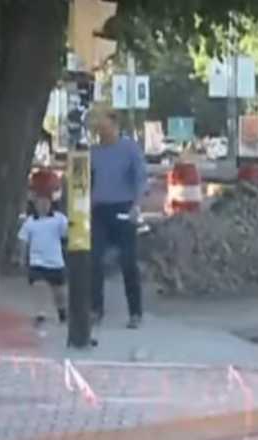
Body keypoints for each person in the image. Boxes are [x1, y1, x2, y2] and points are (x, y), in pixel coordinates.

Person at [89, 107, 147, 329]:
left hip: (123, 208)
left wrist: (136, 206)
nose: (100, 131)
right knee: (94, 259)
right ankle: (95, 309)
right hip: (99, 209)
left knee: (128, 261)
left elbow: (140, 178)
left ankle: (135, 312)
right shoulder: (94, 152)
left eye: (103, 126)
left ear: (114, 125)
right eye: (97, 128)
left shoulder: (129, 149)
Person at [17, 194, 69, 329]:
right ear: (35, 205)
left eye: (46, 203)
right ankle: (40, 314)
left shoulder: (59, 218)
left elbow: (66, 233)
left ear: (51, 204)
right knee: (39, 286)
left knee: (59, 293)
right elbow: (23, 240)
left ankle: (62, 312)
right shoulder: (30, 222)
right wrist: (22, 258)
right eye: (40, 203)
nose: (43, 206)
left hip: (55, 262)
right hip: (37, 261)